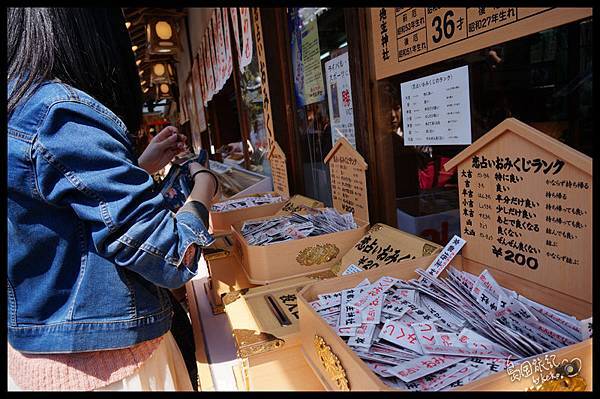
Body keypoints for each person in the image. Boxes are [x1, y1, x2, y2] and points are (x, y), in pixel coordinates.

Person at [7, 8, 220, 391]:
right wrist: (203, 187)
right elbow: (171, 254)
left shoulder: (16, 105)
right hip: (115, 367)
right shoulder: (58, 111)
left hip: (37, 361)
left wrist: (139, 164)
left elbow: (53, 217)